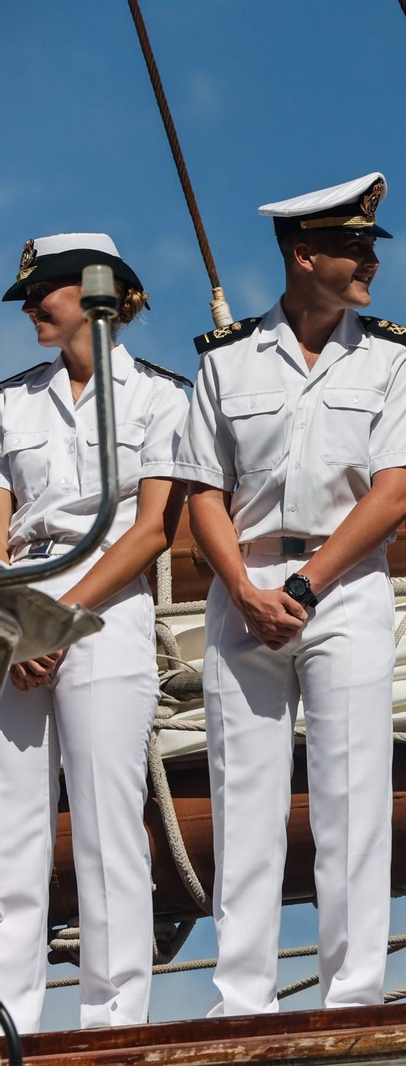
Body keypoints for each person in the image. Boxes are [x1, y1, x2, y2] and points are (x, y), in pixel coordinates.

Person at [173, 173, 406, 1013]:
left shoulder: (394, 357)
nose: (369, 262)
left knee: (351, 796)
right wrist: (244, 589)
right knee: (242, 797)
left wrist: (305, 584)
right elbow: (201, 491)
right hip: (241, 583)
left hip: (345, 584)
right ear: (303, 252)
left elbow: (396, 490)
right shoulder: (225, 360)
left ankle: (351, 994)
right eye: (354, 247)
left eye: (369, 247)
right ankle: (241, 996)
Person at [0, 233, 188, 1031]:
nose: (34, 305)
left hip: (108, 605)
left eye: (47, 288)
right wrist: (17, 623)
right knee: (11, 822)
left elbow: (150, 533)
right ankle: (6, 1012)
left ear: (102, 292)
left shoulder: (159, 396)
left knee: (110, 820)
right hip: (15, 601)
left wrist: (61, 621)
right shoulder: (8, 401)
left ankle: (114, 1022)